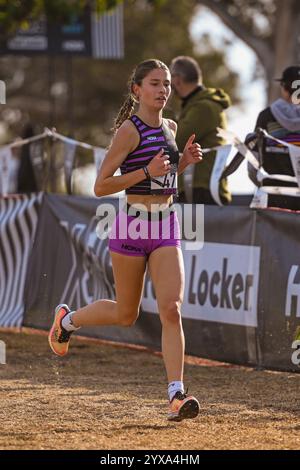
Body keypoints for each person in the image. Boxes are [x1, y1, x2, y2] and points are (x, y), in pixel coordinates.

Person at [48, 59, 203, 422]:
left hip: (165, 225)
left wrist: (183, 166)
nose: (163, 90)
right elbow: (100, 185)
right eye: (154, 83)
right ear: (137, 90)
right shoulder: (128, 133)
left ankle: (176, 395)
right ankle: (67, 321)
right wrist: (145, 170)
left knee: (172, 309)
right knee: (125, 313)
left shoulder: (171, 126)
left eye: (166, 84)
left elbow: (163, 181)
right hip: (132, 226)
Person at [169, 56, 231, 205]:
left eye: (168, 81)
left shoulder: (204, 108)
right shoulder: (201, 106)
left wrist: (164, 106)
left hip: (202, 191)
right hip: (199, 190)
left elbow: (172, 142)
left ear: (177, 80)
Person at [248, 65, 300, 210]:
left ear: (284, 87)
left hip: (273, 198)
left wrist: (261, 184)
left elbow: (253, 163)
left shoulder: (266, 116)